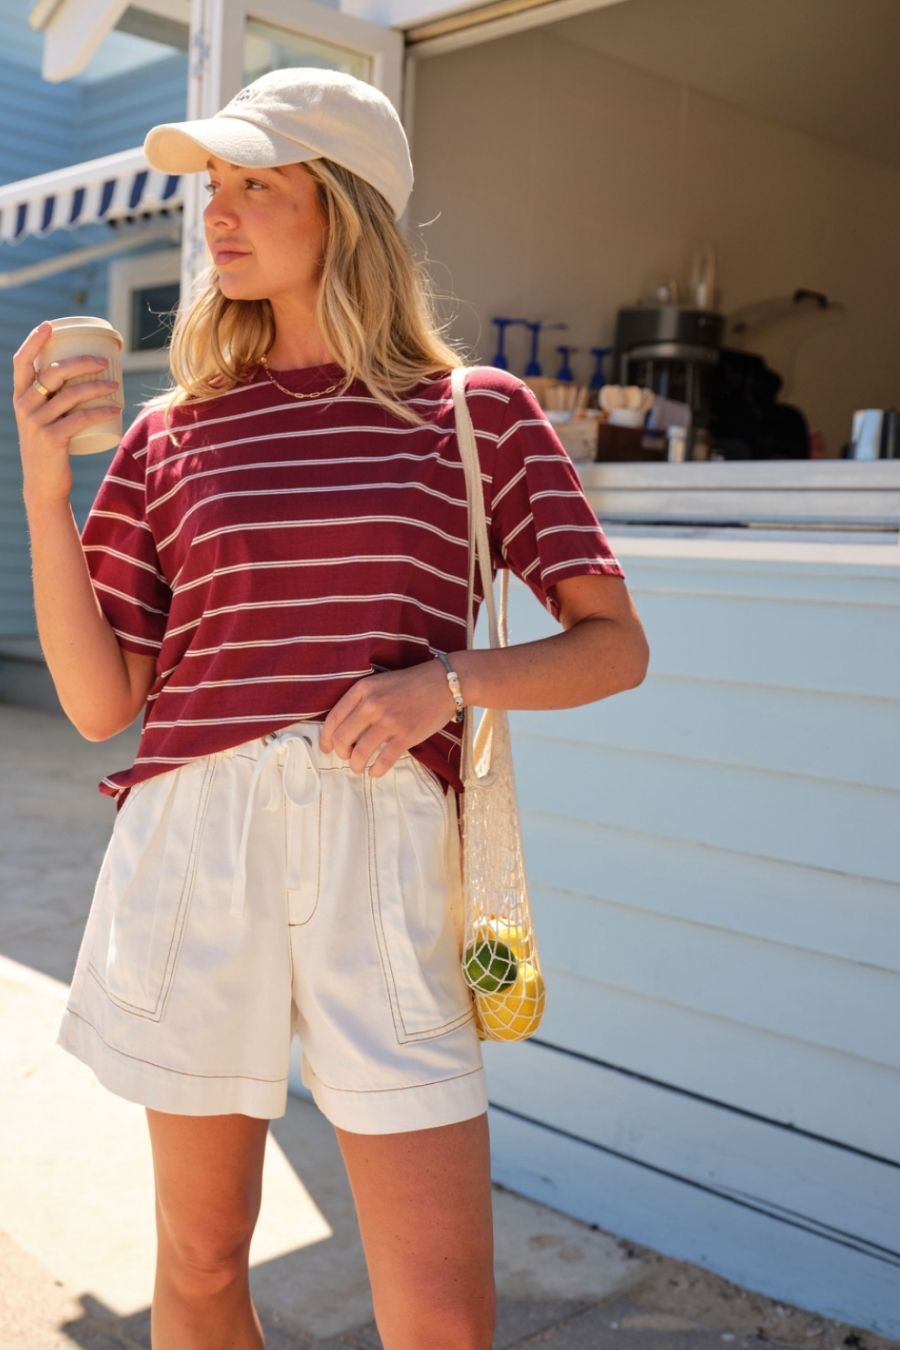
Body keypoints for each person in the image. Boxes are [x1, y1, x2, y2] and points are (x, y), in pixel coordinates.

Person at [14, 67, 649, 1350]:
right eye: (212, 186)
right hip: (199, 843)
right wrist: (41, 481)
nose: (217, 213)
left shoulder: (475, 416)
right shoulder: (171, 433)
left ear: (345, 207)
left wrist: (446, 681)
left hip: (385, 846)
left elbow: (613, 647)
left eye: (256, 184)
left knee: (442, 1316)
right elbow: (98, 704)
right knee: (201, 1261)